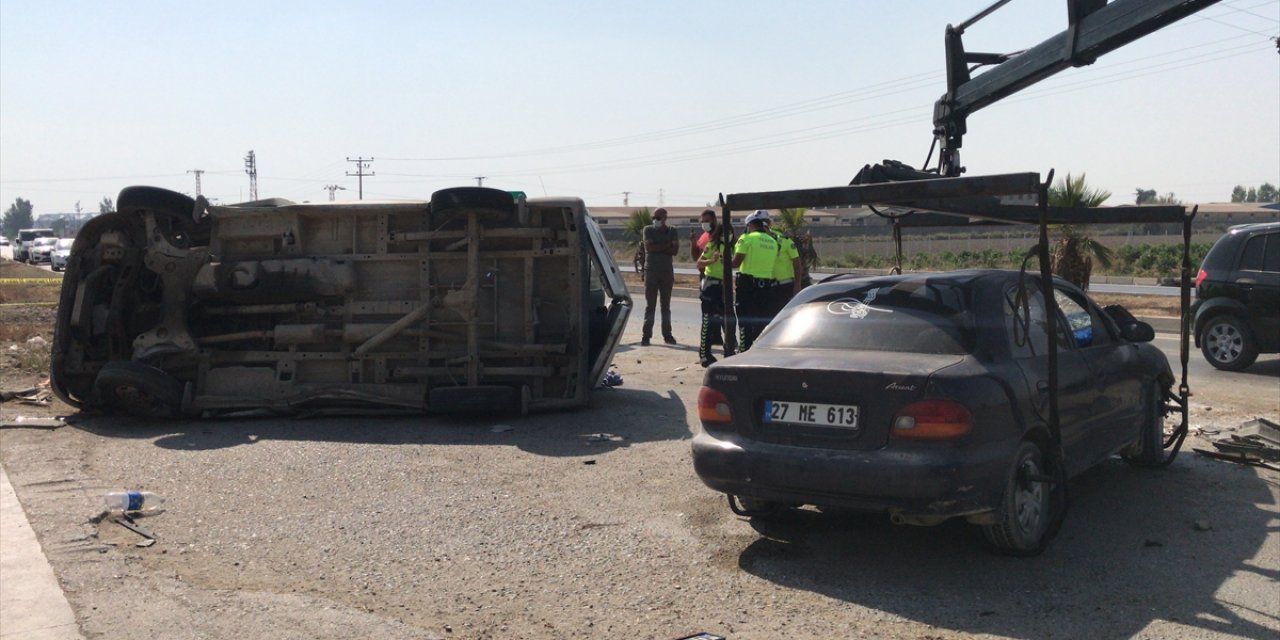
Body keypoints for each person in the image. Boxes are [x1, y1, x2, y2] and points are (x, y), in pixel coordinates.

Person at [731, 210, 779, 351]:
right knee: (760, 319)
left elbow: (735, 263)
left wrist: (723, 260)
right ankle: (759, 349)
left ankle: (744, 349)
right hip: (765, 285)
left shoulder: (746, 238)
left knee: (745, 318)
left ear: (750, 225)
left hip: (747, 284)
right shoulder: (773, 241)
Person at [694, 210, 732, 367]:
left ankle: (729, 351)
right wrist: (712, 260)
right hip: (711, 285)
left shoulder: (731, 247)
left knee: (728, 320)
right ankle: (704, 354)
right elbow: (699, 263)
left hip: (725, 286)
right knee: (708, 321)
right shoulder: (712, 245)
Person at [640, 207, 679, 346]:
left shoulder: (672, 231)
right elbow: (649, 248)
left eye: (658, 218)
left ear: (664, 218)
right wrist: (667, 245)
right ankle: (646, 335)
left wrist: (660, 247)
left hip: (666, 272)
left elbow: (675, 251)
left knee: (665, 306)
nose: (655, 220)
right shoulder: (648, 230)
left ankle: (667, 334)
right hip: (651, 271)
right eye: (654, 218)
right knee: (650, 306)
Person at [765, 220, 804, 318]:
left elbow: (797, 262)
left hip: (784, 286)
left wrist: (797, 284)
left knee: (786, 317)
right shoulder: (758, 242)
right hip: (767, 286)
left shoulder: (785, 240)